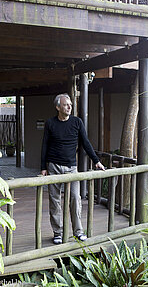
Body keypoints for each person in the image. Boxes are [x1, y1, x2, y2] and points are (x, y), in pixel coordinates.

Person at [41, 93, 105, 245]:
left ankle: (78, 232)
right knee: (54, 200)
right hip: (54, 166)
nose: (69, 107)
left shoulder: (77, 122)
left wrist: (96, 161)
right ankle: (58, 233)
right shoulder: (50, 123)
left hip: (71, 168)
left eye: (70, 104)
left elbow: (86, 142)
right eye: (65, 104)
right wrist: (43, 167)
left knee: (75, 198)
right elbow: (44, 145)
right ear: (58, 107)